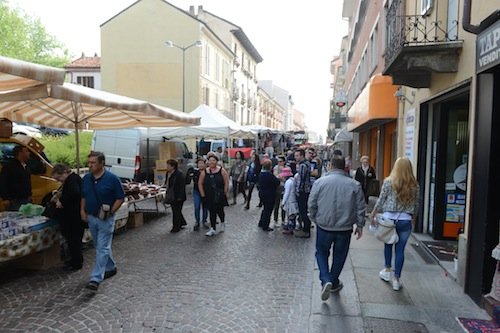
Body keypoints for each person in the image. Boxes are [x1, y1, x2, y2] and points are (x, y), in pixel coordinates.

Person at [308, 156, 366, 301]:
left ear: (331, 165)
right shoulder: (354, 185)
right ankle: (333, 281)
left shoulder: (320, 182)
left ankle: (326, 278)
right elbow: (360, 207)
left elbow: (312, 203)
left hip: (324, 226)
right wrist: (359, 225)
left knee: (321, 253)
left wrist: (314, 218)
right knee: (339, 256)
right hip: (344, 228)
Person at [369, 157, 419, 291]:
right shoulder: (414, 185)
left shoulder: (388, 182)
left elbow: (381, 200)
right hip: (405, 220)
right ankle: (397, 279)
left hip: (388, 219)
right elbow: (416, 204)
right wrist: (413, 217)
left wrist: (373, 213)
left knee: (388, 244)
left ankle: (386, 270)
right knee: (400, 250)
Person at [81, 151, 125, 292]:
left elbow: (120, 197)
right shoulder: (87, 178)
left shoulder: (112, 179)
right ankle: (111, 267)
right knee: (99, 245)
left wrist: (111, 211)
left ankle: (96, 278)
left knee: (102, 247)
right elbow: (84, 195)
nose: (90, 165)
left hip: (106, 219)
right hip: (92, 217)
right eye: (89, 162)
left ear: (102, 163)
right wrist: (82, 210)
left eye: (93, 163)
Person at [51, 164, 84, 271]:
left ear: (64, 173)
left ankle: (76, 263)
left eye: (59, 178)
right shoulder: (73, 179)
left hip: (73, 217)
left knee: (74, 241)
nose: (59, 181)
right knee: (73, 241)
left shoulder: (72, 180)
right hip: (73, 217)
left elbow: (74, 193)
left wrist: (61, 201)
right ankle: (75, 260)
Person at [199, 155, 229, 237]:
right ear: (208, 162)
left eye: (213, 160)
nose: (212, 162)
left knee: (220, 210)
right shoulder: (204, 172)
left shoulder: (222, 171)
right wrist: (203, 195)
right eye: (210, 160)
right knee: (212, 211)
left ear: (216, 161)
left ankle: (222, 222)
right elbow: (200, 183)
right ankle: (213, 228)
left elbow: (226, 181)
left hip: (219, 195)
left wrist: (225, 192)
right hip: (209, 195)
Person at [0, 145, 32, 211]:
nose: (29, 153)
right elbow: (3, 183)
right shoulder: (9, 166)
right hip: (14, 200)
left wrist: (29, 194)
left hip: (25, 198)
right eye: (26, 151)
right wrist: (5, 198)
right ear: (20, 153)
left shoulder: (26, 166)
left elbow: (27, 182)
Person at [294, 149, 312, 238]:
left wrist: (298, 191)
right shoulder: (307, 163)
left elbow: (301, 179)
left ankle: (306, 230)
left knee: (303, 211)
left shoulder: (302, 165)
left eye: (297, 155)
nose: (295, 157)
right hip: (306, 190)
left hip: (303, 192)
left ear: (301, 156)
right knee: (304, 210)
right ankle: (305, 228)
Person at [165, 159, 187, 233]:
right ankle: (182, 222)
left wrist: (180, 197)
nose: (167, 167)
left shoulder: (179, 174)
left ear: (173, 166)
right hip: (172, 195)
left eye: (168, 165)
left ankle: (176, 227)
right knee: (176, 211)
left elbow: (182, 186)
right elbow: (167, 183)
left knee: (176, 212)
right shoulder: (168, 173)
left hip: (178, 196)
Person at [257, 159, 280, 231]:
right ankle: (265, 225)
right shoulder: (269, 175)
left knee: (265, 209)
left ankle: (261, 222)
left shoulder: (261, 174)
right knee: (268, 210)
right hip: (269, 194)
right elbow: (277, 182)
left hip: (262, 193)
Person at [190, 158, 209, 231]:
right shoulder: (195, 172)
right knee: (197, 206)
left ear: (205, 164)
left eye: (202, 163)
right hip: (196, 192)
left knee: (205, 207)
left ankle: (204, 221)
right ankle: (197, 221)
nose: (201, 165)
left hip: (205, 192)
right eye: (199, 163)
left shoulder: (207, 172)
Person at [280, 167, 298, 235]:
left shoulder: (288, 182)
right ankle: (290, 226)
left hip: (290, 201)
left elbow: (286, 193)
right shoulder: (292, 180)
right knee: (292, 215)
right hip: (293, 200)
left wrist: (283, 202)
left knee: (290, 215)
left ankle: (290, 229)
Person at [272, 155, 286, 227]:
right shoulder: (275, 168)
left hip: (284, 187)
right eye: (278, 162)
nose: (279, 163)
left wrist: (280, 176)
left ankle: (283, 220)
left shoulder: (286, 169)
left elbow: (285, 179)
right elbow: (275, 177)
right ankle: (275, 220)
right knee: (276, 205)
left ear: (284, 162)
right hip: (277, 188)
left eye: (280, 162)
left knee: (283, 205)